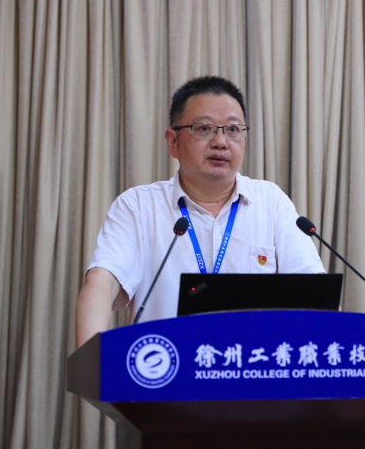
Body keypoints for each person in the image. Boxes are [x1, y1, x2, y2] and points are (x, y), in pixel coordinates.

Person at [75, 76, 325, 347]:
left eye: (233, 129)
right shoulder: (138, 206)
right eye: (204, 128)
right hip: (166, 367)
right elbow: (103, 281)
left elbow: (314, 291)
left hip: (253, 366)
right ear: (173, 141)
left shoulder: (271, 202)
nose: (221, 142)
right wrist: (91, 359)